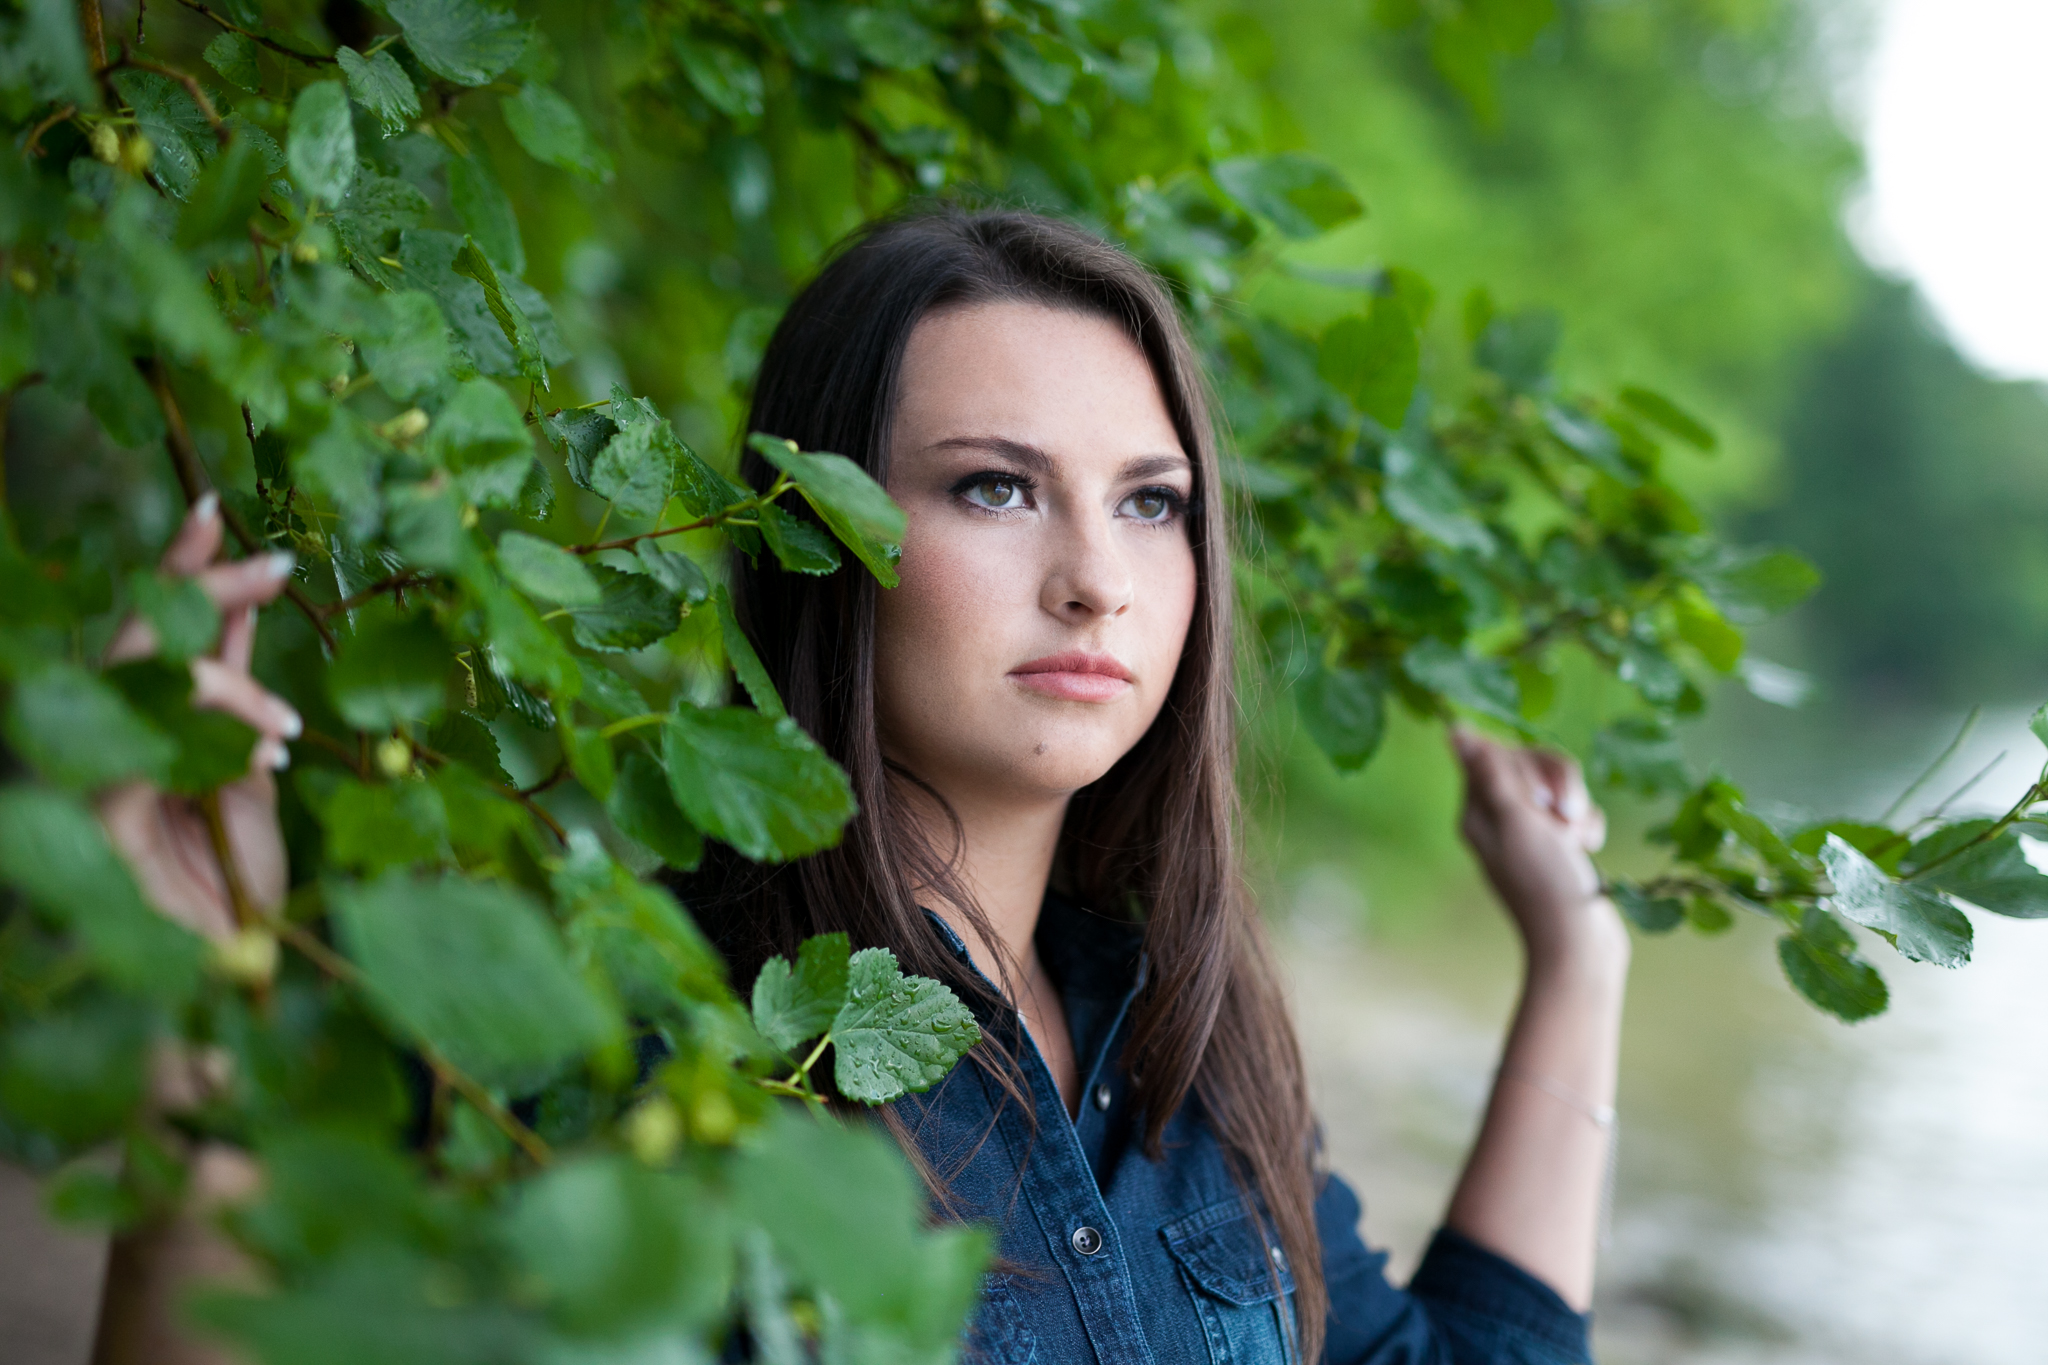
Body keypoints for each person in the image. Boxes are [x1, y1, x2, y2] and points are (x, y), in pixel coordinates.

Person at [105, 209, 1628, 1364]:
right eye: (995, 486)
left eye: (1151, 503)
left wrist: (1578, 961)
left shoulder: (1187, 1049)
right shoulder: (632, 1020)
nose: (1098, 579)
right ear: (819, 531)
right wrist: (195, 1011)